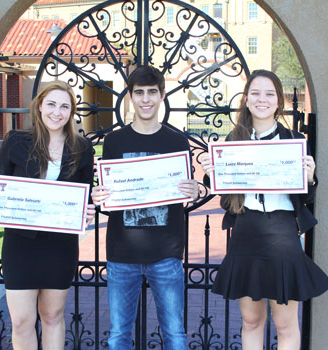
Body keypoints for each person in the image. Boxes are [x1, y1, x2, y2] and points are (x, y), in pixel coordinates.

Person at [201, 69, 328, 350]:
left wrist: (309, 178)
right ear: (246, 99)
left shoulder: (294, 141)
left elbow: (305, 199)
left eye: (270, 93)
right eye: (256, 93)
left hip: (282, 234)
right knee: (250, 321)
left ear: (278, 101)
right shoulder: (232, 142)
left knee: (285, 324)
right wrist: (214, 175)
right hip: (246, 231)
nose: (263, 99)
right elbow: (227, 197)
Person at [91, 65, 199, 350]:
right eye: (139, 93)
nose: (146, 99)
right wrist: (99, 196)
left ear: (162, 95)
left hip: (166, 253)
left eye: (152, 92)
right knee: (118, 336)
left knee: (175, 334)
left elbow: (187, 189)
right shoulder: (114, 141)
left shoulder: (177, 141)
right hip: (121, 254)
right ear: (130, 96)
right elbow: (107, 194)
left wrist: (194, 189)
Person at [0, 81, 95, 350]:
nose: (57, 112)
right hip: (20, 244)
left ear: (72, 112)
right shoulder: (16, 141)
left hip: (59, 246)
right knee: (21, 321)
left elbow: (86, 195)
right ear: (40, 107)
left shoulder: (82, 148)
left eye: (65, 106)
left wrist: (88, 210)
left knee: (53, 316)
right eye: (52, 104)